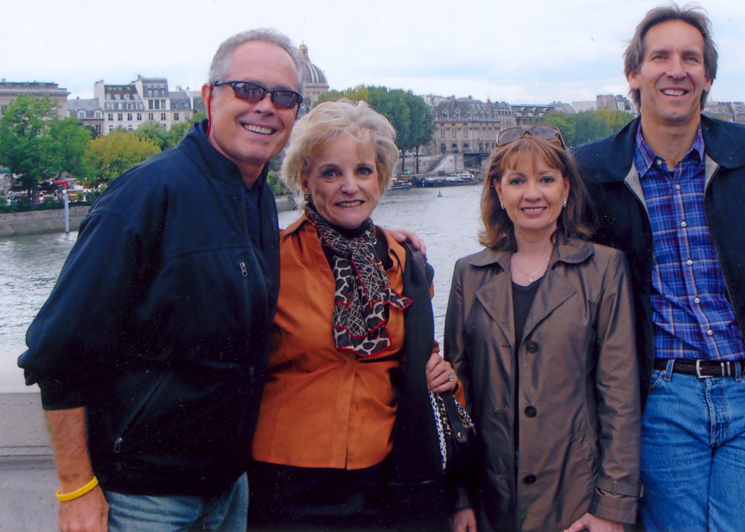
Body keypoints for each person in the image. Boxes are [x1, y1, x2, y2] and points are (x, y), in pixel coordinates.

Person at [18, 28, 305, 532]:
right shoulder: (147, 194)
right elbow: (57, 353)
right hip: (144, 500)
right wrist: (76, 486)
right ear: (209, 96)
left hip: (227, 490)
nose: (266, 107)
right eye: (248, 90)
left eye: (283, 97)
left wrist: (381, 240)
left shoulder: (257, 195)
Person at [571, 5, 745, 531]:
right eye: (660, 57)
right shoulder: (592, 170)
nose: (677, 70)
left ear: (708, 76)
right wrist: (396, 239)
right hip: (659, 399)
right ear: (634, 74)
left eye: (691, 58)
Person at [247, 99, 462, 532]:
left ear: (380, 177)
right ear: (305, 179)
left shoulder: (405, 263)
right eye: (331, 173)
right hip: (287, 482)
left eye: (363, 171)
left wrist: (444, 376)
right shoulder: (271, 259)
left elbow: (420, 358)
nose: (350, 187)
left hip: (383, 479)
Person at [445, 125, 642, 532]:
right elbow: (457, 399)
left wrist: (612, 507)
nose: (532, 194)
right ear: (499, 191)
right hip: (491, 501)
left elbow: (620, 396)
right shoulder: (468, 275)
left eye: (546, 180)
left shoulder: (604, 269)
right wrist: (459, 499)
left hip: (575, 499)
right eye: (517, 181)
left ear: (566, 188)